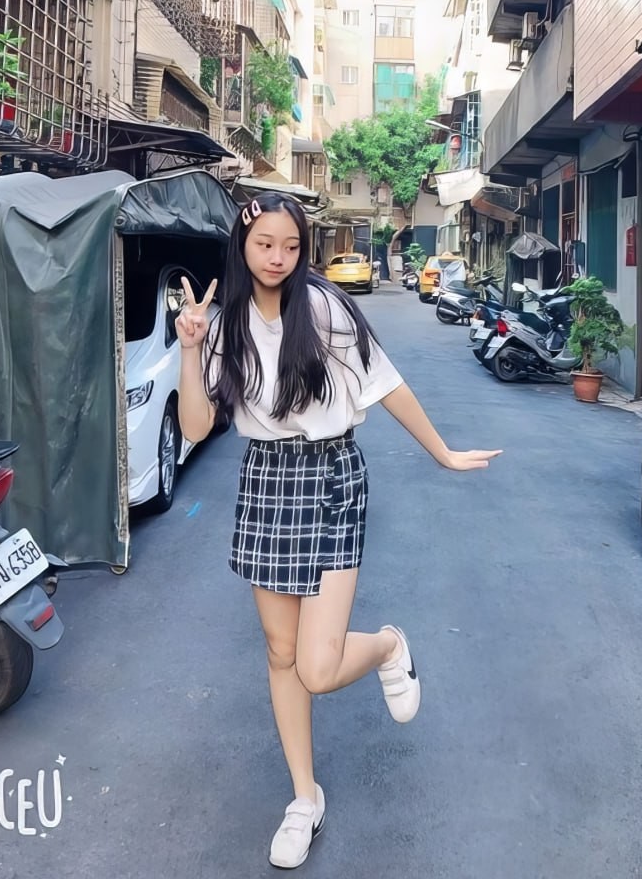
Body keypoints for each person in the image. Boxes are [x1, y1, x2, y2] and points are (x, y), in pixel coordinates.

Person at [176, 191, 501, 870]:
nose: (278, 257)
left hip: (330, 476)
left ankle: (386, 646)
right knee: (280, 652)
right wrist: (190, 347)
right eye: (265, 244)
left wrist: (441, 452)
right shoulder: (224, 323)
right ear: (242, 246)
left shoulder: (325, 308)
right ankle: (304, 799)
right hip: (266, 479)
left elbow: (386, 384)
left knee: (317, 667)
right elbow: (197, 428)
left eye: (291, 246)